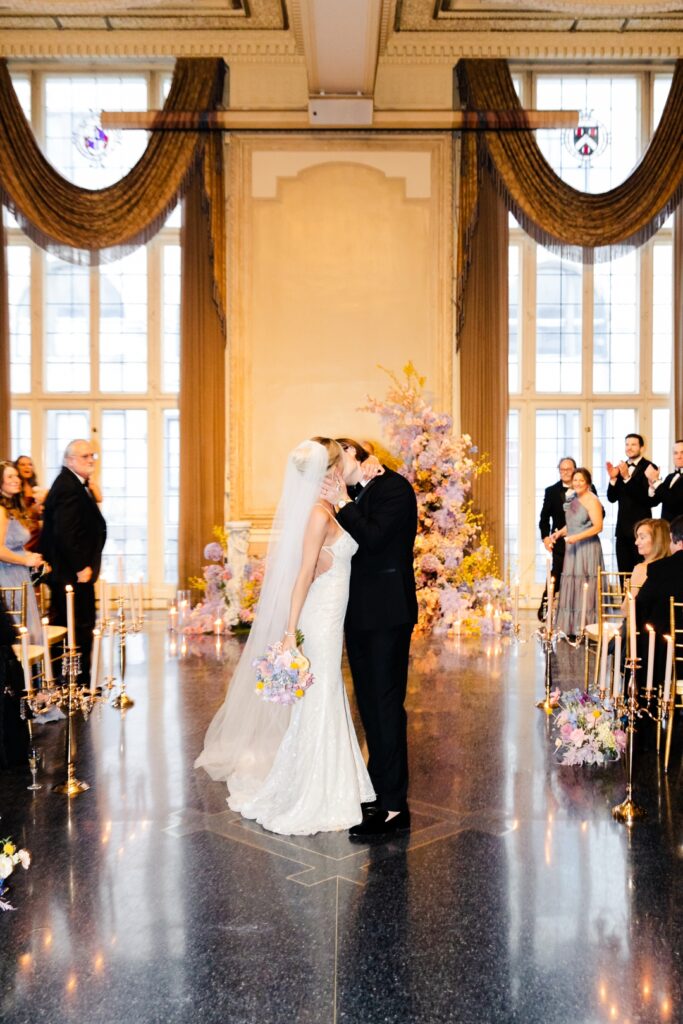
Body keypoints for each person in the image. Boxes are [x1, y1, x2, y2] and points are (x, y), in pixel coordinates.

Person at [195, 438, 375, 836]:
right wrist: (290, 633)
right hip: (319, 619)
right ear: (331, 468)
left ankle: (334, 780)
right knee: (322, 693)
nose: (348, 463)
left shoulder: (331, 506)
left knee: (327, 693)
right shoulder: (317, 514)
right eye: (342, 460)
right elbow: (303, 574)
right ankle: (313, 789)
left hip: (332, 615)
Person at [321, 438, 418, 839]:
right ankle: (378, 792)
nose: (333, 469)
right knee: (370, 707)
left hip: (387, 614)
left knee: (386, 706)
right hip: (359, 614)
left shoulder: (394, 488)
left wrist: (344, 503)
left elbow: (374, 539)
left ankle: (395, 806)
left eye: (337, 459)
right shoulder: (358, 490)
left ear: (355, 455)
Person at [41, 440, 107, 683]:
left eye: (92, 455)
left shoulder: (75, 483)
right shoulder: (67, 487)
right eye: (84, 456)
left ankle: (74, 681)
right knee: (78, 627)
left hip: (73, 571)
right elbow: (65, 532)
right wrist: (80, 566)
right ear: (69, 460)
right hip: (72, 573)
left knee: (75, 626)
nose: (91, 460)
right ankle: (77, 684)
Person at [554, 468, 604, 638]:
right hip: (573, 547)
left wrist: (577, 537)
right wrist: (559, 533)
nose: (577, 483)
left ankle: (586, 627)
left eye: (581, 480)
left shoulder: (592, 500)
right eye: (575, 480)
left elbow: (598, 527)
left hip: (587, 547)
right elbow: (573, 524)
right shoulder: (573, 499)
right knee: (572, 583)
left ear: (588, 483)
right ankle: (571, 627)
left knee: (585, 585)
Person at [0, 461, 47, 644]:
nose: (16, 480)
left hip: (17, 572)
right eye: (10, 476)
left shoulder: (13, 508)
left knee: (27, 626)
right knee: (20, 628)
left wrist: (29, 556)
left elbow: (12, 544)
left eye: (16, 476)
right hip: (7, 575)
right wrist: (25, 561)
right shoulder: (1, 510)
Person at [606, 433, 657, 574]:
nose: (629, 447)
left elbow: (646, 499)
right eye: (627, 444)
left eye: (633, 444)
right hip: (622, 530)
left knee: (641, 572)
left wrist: (627, 477)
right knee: (623, 573)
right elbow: (611, 498)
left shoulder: (649, 467)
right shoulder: (620, 467)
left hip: (642, 530)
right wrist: (613, 479)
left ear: (642, 447)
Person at [538, 457, 577, 620]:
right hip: (559, 542)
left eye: (568, 469)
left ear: (575, 470)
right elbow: (544, 518)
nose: (565, 472)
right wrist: (545, 538)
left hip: (581, 541)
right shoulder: (551, 491)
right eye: (562, 469)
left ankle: (576, 612)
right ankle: (545, 606)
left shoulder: (586, 488)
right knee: (556, 574)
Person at [14, 455, 47, 551]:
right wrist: (32, 510)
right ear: (16, 468)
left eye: (30, 464)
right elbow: (15, 513)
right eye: (23, 465)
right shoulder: (15, 487)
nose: (27, 467)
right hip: (22, 531)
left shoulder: (34, 486)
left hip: (36, 531)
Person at [647, 439, 683, 524]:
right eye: (675, 453)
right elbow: (654, 502)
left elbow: (674, 502)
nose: (679, 456)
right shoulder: (670, 477)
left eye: (682, 452)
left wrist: (656, 481)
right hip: (665, 526)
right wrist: (652, 487)